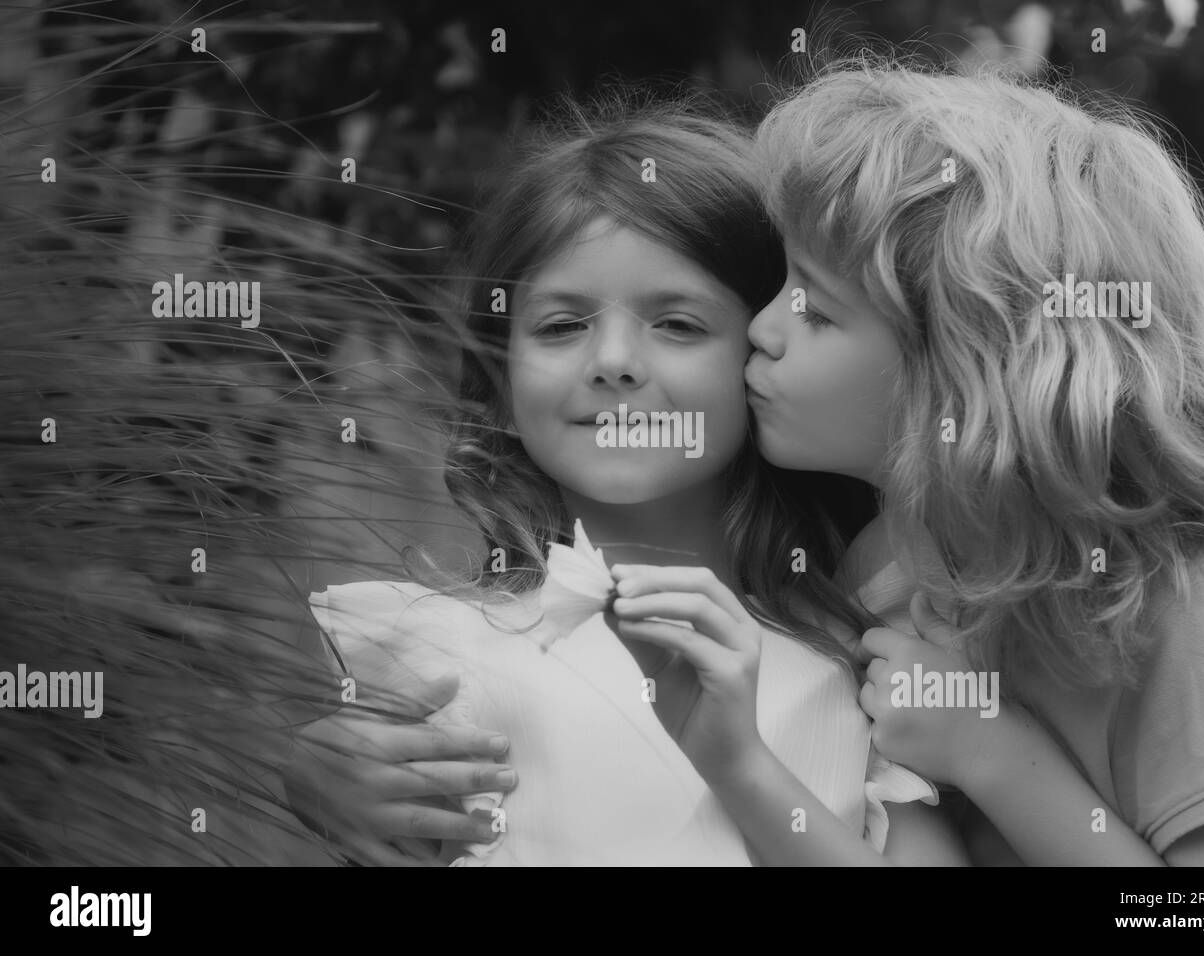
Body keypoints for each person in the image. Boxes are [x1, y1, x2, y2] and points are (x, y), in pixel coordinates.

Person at [290, 92, 964, 865]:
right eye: (561, 325)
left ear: (764, 357)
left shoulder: (871, 664)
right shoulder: (432, 648)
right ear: (501, 392)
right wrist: (323, 792)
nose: (611, 361)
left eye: (678, 324)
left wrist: (739, 764)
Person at [743, 55, 1204, 865]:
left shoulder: (1165, 608)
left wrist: (990, 753)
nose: (761, 328)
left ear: (968, 378)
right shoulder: (873, 564)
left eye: (816, 312)